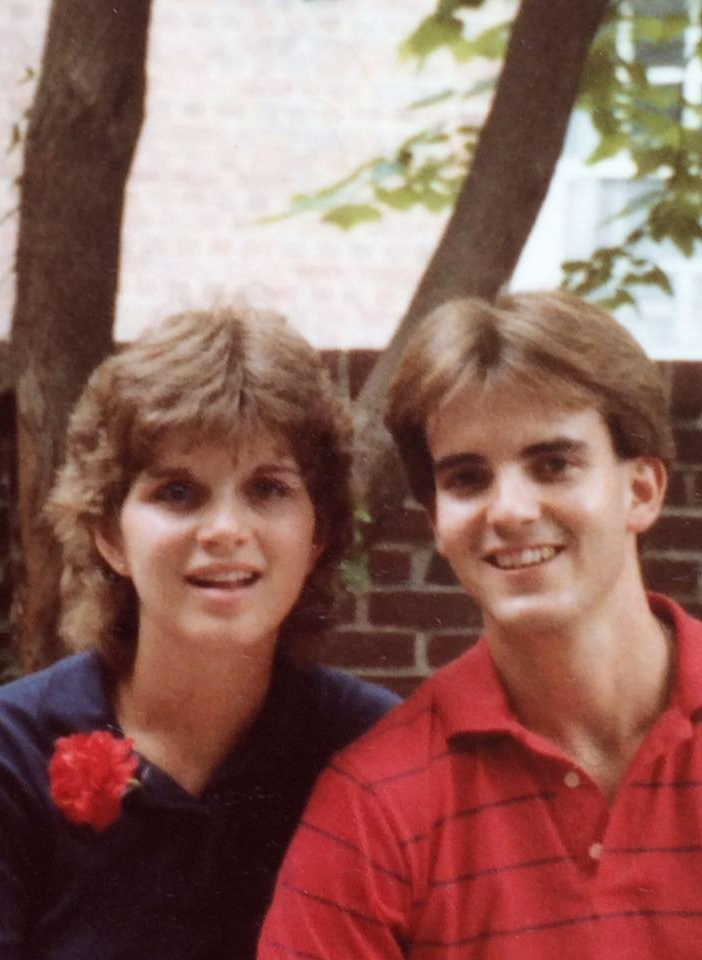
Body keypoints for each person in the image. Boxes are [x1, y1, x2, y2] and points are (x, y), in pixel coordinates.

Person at [0, 305, 399, 960]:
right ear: (109, 533)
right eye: (178, 492)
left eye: (268, 489)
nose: (225, 529)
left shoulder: (376, 752)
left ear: (320, 533)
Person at [258, 291, 702, 959]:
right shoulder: (374, 806)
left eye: (553, 464)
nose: (511, 509)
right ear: (437, 520)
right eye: (468, 478)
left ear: (640, 491)